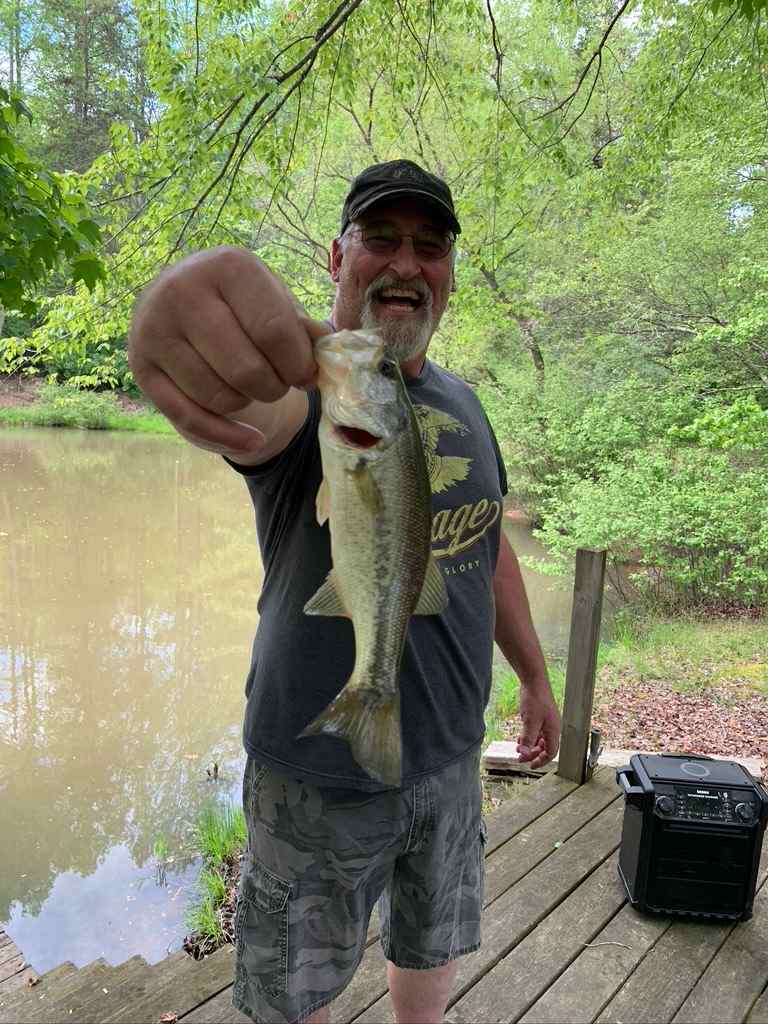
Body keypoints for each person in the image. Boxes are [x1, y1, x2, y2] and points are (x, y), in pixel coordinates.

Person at [128, 159, 561, 1024]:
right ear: (336, 258)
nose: (407, 263)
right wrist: (173, 308)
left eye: (429, 246)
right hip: (317, 774)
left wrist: (537, 678)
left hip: (446, 758)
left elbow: (487, 544)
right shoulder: (314, 396)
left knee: (429, 947)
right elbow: (254, 414)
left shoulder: (467, 403)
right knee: (298, 996)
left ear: (448, 275)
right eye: (380, 239)